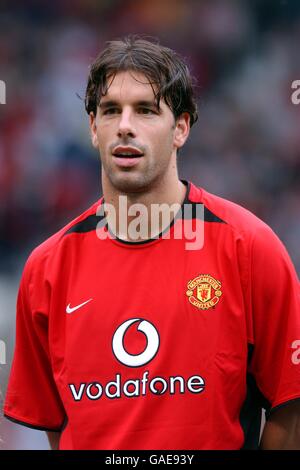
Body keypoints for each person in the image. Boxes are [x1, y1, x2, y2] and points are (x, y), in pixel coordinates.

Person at [3, 36, 300, 450]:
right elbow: (59, 423)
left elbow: (291, 403)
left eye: (145, 110)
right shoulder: (47, 269)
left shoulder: (248, 247)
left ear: (180, 127)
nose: (125, 125)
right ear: (93, 128)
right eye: (110, 111)